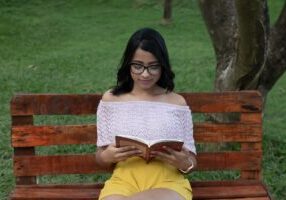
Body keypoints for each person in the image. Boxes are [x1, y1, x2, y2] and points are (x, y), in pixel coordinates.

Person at [95, 27, 197, 200]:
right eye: (138, 66)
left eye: (153, 67)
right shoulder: (111, 100)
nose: (145, 74)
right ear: (128, 64)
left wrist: (184, 163)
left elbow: (192, 161)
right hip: (122, 181)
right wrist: (107, 156)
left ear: (162, 66)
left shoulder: (177, 103)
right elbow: (100, 155)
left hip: (168, 182)